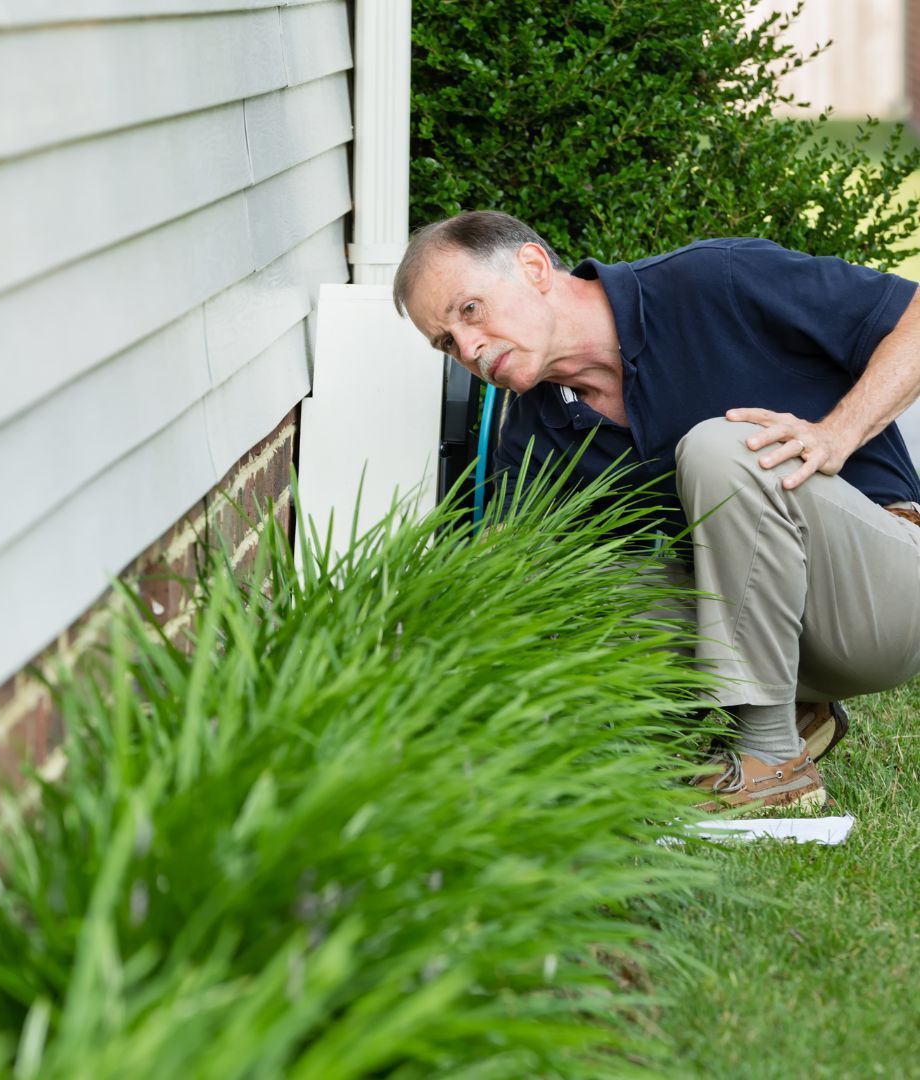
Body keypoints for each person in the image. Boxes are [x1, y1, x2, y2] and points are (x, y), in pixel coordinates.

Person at [393, 210, 920, 811]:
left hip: (888, 597)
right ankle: (787, 712)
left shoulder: (714, 280)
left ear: (533, 267)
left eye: (469, 311)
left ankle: (772, 760)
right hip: (782, 636)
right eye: (447, 343)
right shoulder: (536, 435)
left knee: (722, 449)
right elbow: (509, 591)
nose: (469, 348)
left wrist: (837, 433)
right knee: (544, 583)